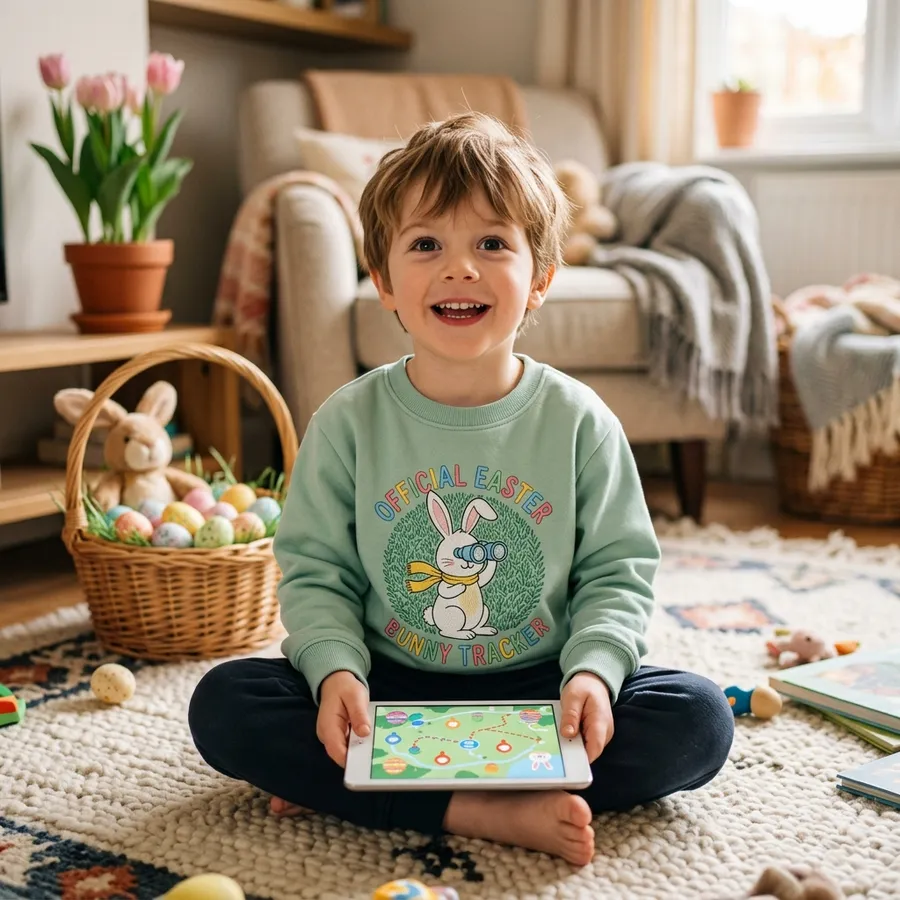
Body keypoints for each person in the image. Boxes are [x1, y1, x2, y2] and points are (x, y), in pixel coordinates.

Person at [189, 112, 734, 867]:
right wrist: (337, 670)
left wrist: (593, 673)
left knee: (699, 720)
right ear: (382, 281)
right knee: (226, 705)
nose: (460, 268)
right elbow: (317, 572)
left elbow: (618, 571)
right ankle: (476, 807)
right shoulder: (347, 421)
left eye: (491, 244)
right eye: (426, 245)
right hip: (389, 688)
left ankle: (357, 790)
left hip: (543, 689)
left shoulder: (581, 421)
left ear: (539, 279)